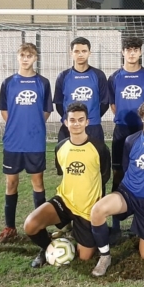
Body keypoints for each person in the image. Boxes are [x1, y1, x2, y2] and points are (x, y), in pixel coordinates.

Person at [88, 100, 144, 277]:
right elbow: (126, 167)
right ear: (142, 118)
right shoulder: (131, 140)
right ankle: (105, 256)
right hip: (128, 194)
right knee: (97, 211)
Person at [25, 102, 111, 268]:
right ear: (66, 122)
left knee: (85, 257)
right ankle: (48, 248)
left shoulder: (99, 148)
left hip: (87, 209)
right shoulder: (60, 147)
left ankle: (80, 232)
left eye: (80, 119)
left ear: (87, 122)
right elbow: (64, 174)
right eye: (72, 120)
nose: (76, 123)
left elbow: (104, 177)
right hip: (64, 201)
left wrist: (97, 208)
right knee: (30, 224)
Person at [0, 43, 53, 244]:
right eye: (22, 55)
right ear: (18, 57)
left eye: (30, 55)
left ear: (35, 58)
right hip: (13, 142)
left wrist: (32, 126)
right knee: (11, 183)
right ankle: (10, 228)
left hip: (35, 142)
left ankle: (40, 227)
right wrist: (17, 127)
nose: (26, 59)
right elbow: (4, 111)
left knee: (38, 182)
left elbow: (46, 111)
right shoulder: (8, 82)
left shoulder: (43, 82)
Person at [107, 37, 144, 240]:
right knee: (118, 173)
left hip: (143, 131)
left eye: (135, 50)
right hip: (122, 130)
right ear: (123, 52)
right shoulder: (114, 77)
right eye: (128, 50)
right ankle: (116, 225)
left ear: (140, 52)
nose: (132, 53)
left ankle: (140, 224)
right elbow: (113, 106)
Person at [53, 37, 109, 143]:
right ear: (71, 53)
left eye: (84, 51)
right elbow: (59, 103)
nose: (80, 54)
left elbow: (105, 102)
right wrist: (72, 119)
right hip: (69, 127)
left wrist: (88, 119)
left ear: (89, 53)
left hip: (93, 127)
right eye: (76, 51)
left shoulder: (99, 75)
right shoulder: (63, 76)